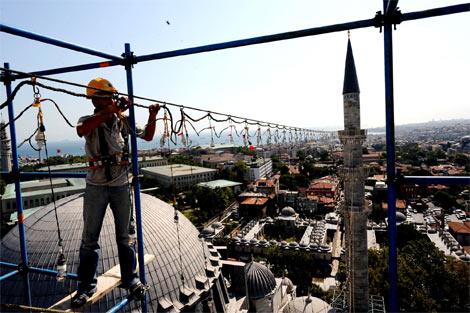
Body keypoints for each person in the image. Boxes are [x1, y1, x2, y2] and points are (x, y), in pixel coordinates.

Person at [71, 77, 159, 308]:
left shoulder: (122, 121)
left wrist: (152, 116)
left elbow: (147, 136)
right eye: (108, 97)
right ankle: (85, 286)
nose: (112, 100)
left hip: (120, 185)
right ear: (97, 100)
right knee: (89, 239)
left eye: (112, 97)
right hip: (96, 187)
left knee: (125, 237)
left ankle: (130, 279)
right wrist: (110, 111)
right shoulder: (89, 120)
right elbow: (82, 130)